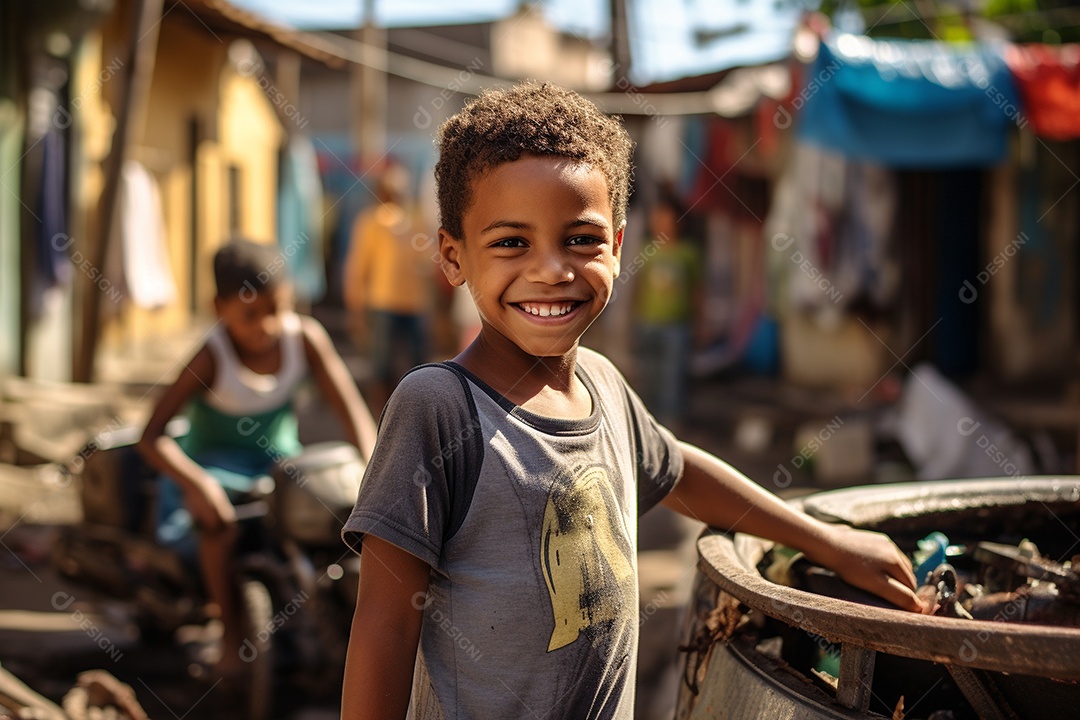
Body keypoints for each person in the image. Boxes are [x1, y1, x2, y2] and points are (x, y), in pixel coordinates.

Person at [339, 82, 924, 720]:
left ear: (619, 246)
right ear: (453, 258)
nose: (552, 271)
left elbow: (678, 471)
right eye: (511, 242)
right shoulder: (438, 408)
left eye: (581, 240)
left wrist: (828, 542)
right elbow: (385, 628)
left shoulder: (602, 384)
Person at [137, 238, 377, 677]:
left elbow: (354, 414)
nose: (267, 324)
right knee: (218, 525)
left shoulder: (304, 339)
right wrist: (198, 483)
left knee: (337, 522)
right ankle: (229, 637)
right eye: (251, 314)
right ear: (219, 307)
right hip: (212, 472)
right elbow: (151, 437)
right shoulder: (212, 357)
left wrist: (372, 471)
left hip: (281, 469)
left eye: (278, 309)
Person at [343, 162, 434, 415]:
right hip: (382, 305)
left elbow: (429, 262)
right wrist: (355, 308)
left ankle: (416, 412)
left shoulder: (415, 220)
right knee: (381, 365)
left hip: (415, 305)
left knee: (418, 364)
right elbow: (357, 269)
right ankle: (382, 416)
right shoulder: (371, 222)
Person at [632, 191, 702, 428]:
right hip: (649, 322)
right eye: (657, 219)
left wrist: (700, 323)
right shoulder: (647, 249)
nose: (660, 224)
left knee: (673, 376)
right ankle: (648, 423)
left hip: (677, 325)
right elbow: (638, 286)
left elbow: (696, 290)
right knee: (650, 373)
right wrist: (636, 316)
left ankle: (671, 425)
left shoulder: (688, 254)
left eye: (666, 219)